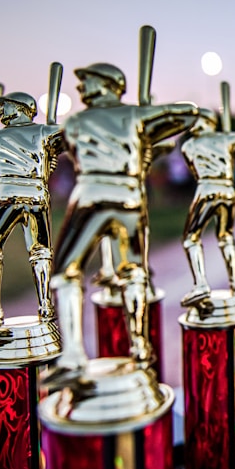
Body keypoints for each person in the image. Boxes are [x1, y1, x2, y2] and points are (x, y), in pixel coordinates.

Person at [50, 62, 199, 375]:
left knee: (65, 272)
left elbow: (57, 145)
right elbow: (188, 113)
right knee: (133, 271)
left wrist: (145, 117)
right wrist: (148, 116)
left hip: (91, 195)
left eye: (86, 81)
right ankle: (140, 345)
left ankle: (74, 356)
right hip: (129, 199)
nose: (80, 88)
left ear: (107, 84)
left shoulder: (77, 119)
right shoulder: (133, 116)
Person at [0, 92, 65, 336]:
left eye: (6, 107)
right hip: (37, 194)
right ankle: (46, 307)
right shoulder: (46, 132)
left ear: (22, 108)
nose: (0, 112)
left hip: (7, 194)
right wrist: (51, 145)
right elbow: (72, 134)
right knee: (41, 251)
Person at [180, 109, 235, 306]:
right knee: (226, 236)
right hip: (227, 190)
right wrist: (231, 145)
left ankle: (201, 284)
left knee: (191, 237)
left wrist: (230, 146)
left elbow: (194, 169)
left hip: (207, 188)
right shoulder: (225, 140)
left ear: (208, 121)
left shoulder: (189, 145)